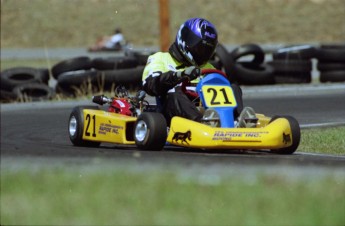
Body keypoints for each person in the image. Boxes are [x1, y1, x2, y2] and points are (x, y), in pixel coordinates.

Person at [141, 18, 255, 127]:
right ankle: (202, 124)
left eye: (207, 50)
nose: (203, 54)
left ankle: (237, 120)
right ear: (186, 41)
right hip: (172, 114)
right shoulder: (160, 58)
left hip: (207, 111)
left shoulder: (208, 67)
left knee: (233, 88)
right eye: (200, 49)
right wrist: (179, 75)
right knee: (175, 93)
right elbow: (150, 85)